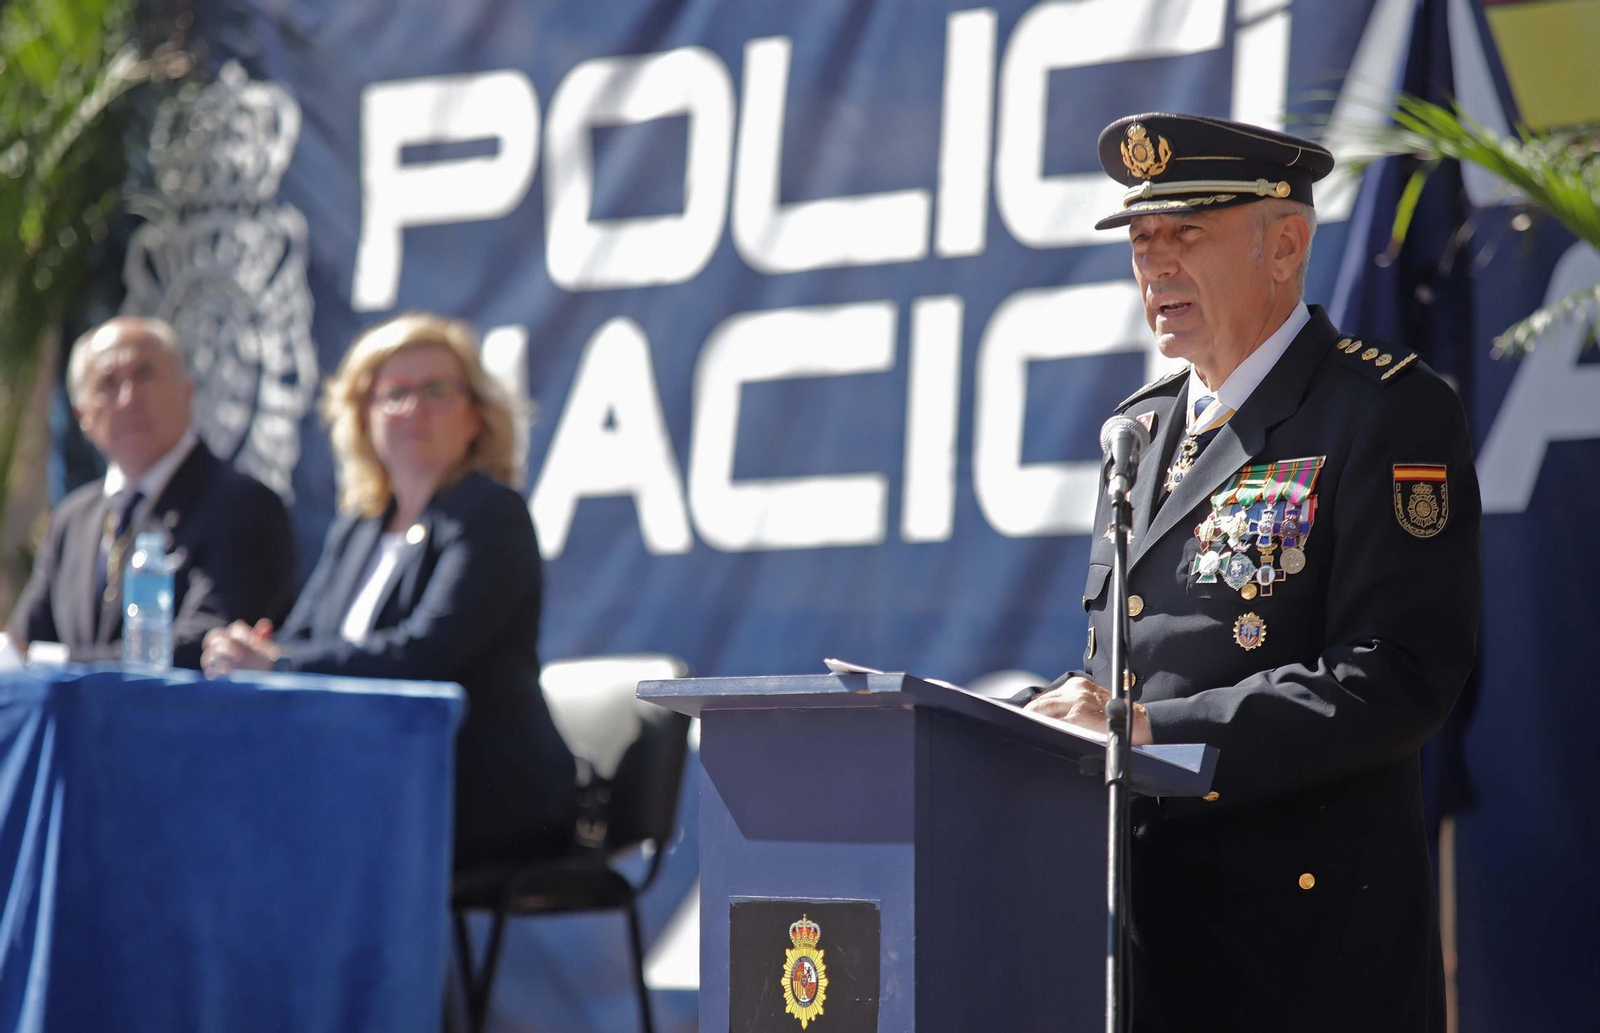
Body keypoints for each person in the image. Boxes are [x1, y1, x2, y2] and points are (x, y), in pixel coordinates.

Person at [1016, 114, 1480, 1031]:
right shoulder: (1137, 433)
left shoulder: (1384, 413)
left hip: (1301, 956)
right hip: (1144, 947)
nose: (1157, 266)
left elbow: (1397, 674)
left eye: (1187, 233)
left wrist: (1145, 727)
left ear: (1286, 245)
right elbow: (1130, 662)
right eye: (1143, 240)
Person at [201, 313, 576, 867]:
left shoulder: (490, 514)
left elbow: (425, 653)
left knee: (269, 831)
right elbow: (302, 637)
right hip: (360, 775)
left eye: (436, 391)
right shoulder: (360, 526)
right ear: (363, 416)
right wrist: (250, 650)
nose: (412, 409)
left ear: (476, 415)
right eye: (392, 394)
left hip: (475, 789)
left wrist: (276, 662)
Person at [6, 316, 297, 668]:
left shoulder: (244, 506)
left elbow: (206, 647)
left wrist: (51, 660)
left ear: (187, 391)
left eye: (144, 375)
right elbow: (23, 640)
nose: (128, 398)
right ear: (83, 415)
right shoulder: (72, 517)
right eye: (107, 384)